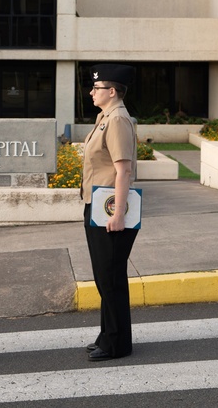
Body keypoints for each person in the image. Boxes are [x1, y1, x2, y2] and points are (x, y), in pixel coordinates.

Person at [81, 63, 138, 361]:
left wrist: (118, 215)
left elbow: (123, 170)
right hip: (98, 205)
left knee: (111, 276)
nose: (91, 92)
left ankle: (116, 343)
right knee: (105, 276)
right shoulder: (104, 117)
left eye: (97, 87)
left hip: (109, 210)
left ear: (112, 91)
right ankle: (108, 335)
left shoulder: (116, 120)